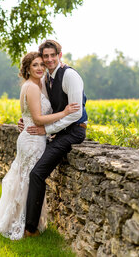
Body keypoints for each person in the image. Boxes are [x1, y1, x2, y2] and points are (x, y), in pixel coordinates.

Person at [0, 52, 80, 240]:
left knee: (25, 179)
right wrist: (65, 112)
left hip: (32, 136)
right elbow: (37, 119)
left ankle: (22, 221)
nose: (40, 68)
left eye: (42, 64)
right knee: (27, 180)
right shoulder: (32, 87)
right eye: (35, 65)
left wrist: (25, 122)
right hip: (32, 140)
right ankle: (24, 224)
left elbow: (28, 116)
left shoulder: (38, 84)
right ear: (27, 68)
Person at [22, 40, 88, 238]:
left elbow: (76, 114)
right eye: (46, 56)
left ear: (60, 54)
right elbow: (40, 107)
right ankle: (28, 224)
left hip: (73, 132)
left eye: (53, 55)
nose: (49, 60)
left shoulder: (70, 75)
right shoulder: (47, 78)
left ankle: (31, 229)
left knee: (37, 173)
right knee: (34, 173)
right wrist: (24, 120)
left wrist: (47, 130)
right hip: (59, 131)